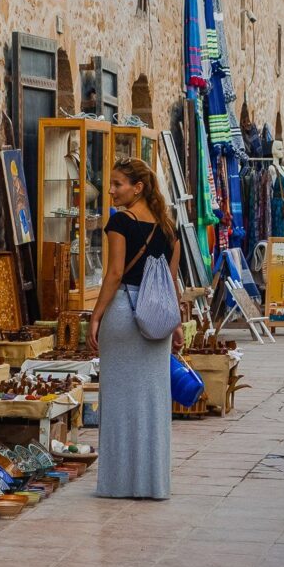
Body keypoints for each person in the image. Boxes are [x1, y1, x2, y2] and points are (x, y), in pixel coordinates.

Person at [89, 157, 182, 499]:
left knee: (118, 401)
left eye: (118, 184)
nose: (111, 190)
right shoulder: (168, 228)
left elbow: (114, 274)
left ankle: (118, 483)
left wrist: (96, 315)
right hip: (157, 318)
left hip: (125, 313)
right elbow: (171, 282)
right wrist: (177, 326)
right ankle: (152, 483)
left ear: (137, 187)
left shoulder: (121, 223)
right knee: (153, 402)